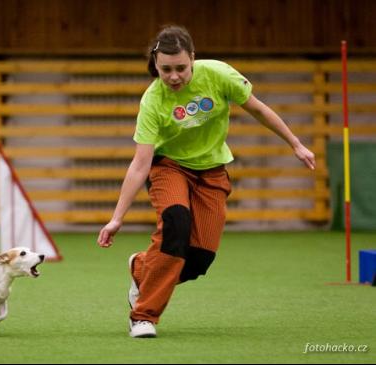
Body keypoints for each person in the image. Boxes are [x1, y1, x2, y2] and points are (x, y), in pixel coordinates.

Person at [96, 25, 316, 338]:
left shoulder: (218, 75)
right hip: (169, 167)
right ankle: (143, 315)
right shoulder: (152, 101)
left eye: (181, 69)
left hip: (212, 171)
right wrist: (117, 218)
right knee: (176, 224)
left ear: (193, 59)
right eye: (165, 70)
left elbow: (258, 108)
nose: (173, 77)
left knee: (199, 259)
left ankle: (141, 268)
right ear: (156, 66)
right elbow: (139, 164)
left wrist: (295, 143)